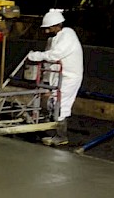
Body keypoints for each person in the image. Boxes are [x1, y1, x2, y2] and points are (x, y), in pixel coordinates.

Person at [27, 9, 84, 146]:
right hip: (58, 76)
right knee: (53, 103)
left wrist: (35, 56)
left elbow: (54, 55)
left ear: (56, 25)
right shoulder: (55, 38)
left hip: (69, 77)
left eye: (48, 28)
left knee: (61, 105)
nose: (47, 31)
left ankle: (61, 136)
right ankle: (53, 131)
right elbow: (50, 60)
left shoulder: (68, 35)